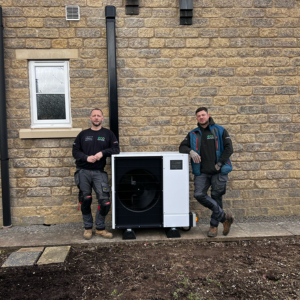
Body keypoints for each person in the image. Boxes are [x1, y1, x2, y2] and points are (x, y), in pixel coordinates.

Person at [179, 107, 234, 237]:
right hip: (201, 172)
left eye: (203, 115)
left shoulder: (220, 130)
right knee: (198, 194)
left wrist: (220, 163)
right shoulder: (193, 133)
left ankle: (213, 227)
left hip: (218, 171)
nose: (201, 117)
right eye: (198, 116)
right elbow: (182, 146)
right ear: (197, 118)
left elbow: (229, 148)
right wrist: (190, 151)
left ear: (208, 115)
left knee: (217, 197)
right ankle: (225, 217)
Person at [73, 108, 120, 240]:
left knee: (105, 201)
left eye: (98, 116)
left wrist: (102, 153)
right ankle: (88, 228)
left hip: (99, 172)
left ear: (102, 118)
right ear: (90, 118)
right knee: (86, 199)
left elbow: (116, 149)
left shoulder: (108, 134)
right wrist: (86, 157)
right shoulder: (83, 135)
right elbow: (75, 152)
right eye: (94, 116)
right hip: (83, 171)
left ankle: (100, 228)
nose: (96, 118)